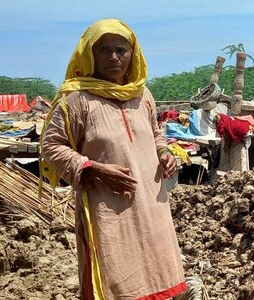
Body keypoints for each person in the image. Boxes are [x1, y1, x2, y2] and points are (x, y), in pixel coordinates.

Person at [40, 19, 185, 299]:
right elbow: (52, 145)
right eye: (104, 50)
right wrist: (92, 169)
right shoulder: (76, 100)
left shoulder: (142, 95)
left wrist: (164, 152)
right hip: (107, 206)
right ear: (89, 55)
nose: (114, 57)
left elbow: (155, 134)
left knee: (158, 270)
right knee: (113, 276)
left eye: (121, 49)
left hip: (151, 203)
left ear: (133, 55)